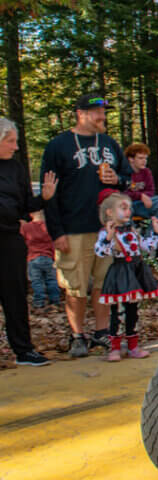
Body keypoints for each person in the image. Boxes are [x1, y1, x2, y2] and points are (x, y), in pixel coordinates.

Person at [41, 92, 129, 358]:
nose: (103, 117)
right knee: (75, 286)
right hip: (73, 228)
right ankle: (77, 335)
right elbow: (49, 194)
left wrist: (118, 179)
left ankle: (102, 333)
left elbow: (127, 178)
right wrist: (57, 232)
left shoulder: (110, 144)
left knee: (104, 284)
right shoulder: (58, 146)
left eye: (104, 113)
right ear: (81, 114)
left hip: (107, 228)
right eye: (97, 113)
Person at [0, 117, 58, 366]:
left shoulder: (16, 169)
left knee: (15, 295)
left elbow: (25, 206)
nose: (15, 147)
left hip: (10, 240)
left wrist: (44, 198)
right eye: (10, 141)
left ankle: (23, 350)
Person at [94, 190, 158, 360]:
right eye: (123, 208)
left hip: (136, 272)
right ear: (109, 212)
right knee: (118, 312)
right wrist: (109, 237)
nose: (128, 212)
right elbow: (101, 252)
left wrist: (156, 232)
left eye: (129, 208)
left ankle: (133, 346)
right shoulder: (107, 234)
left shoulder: (132, 231)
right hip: (120, 274)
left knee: (134, 311)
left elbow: (146, 247)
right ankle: (114, 347)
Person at [124, 143, 158, 233]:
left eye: (145, 158)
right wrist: (141, 196)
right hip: (127, 206)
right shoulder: (123, 172)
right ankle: (129, 239)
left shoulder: (146, 172)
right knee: (123, 204)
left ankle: (152, 237)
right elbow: (122, 193)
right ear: (131, 159)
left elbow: (151, 190)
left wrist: (145, 197)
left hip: (142, 205)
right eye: (140, 158)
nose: (144, 161)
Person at [21, 210, 61, 307]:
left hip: (33, 258)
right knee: (51, 280)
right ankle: (55, 300)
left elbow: (21, 238)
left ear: (30, 214)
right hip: (48, 257)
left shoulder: (26, 227)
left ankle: (39, 301)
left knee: (36, 281)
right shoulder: (49, 226)